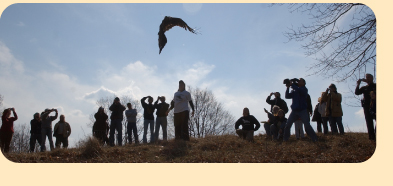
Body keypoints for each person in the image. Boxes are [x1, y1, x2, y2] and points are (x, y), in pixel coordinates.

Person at [355, 73, 376, 140]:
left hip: (375, 106)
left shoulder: (376, 86)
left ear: (372, 78)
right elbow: (357, 92)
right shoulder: (364, 88)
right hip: (366, 107)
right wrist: (358, 84)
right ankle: (372, 137)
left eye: (369, 77)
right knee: (369, 122)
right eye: (366, 77)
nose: (367, 78)